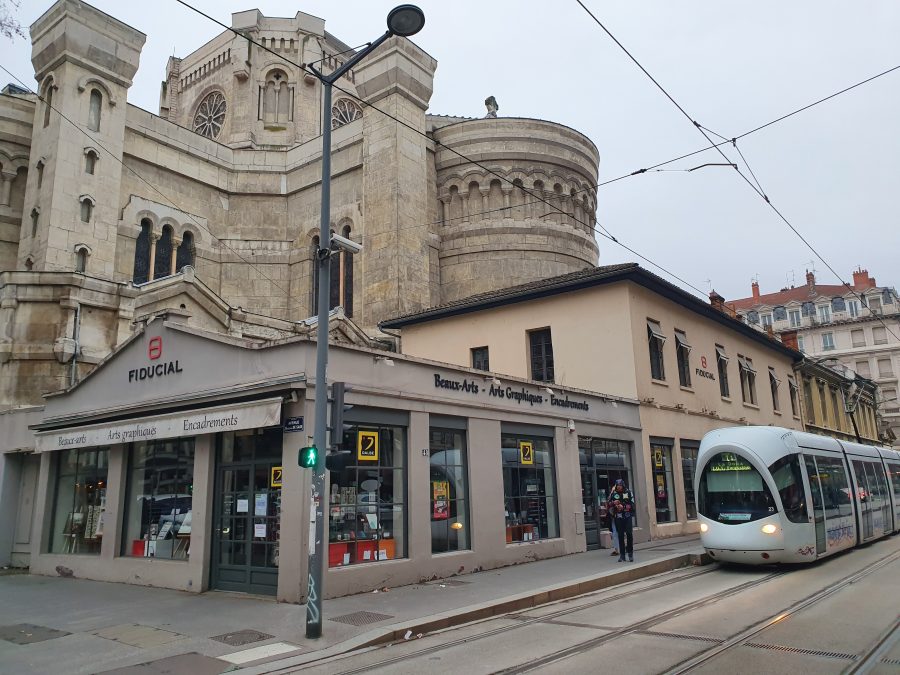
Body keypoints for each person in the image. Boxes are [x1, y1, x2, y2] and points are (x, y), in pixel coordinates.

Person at [607, 478, 635, 562]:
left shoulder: (628, 492)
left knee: (629, 534)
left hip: (627, 516)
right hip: (618, 517)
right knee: (620, 535)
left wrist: (624, 506)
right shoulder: (614, 493)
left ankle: (630, 553)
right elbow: (608, 504)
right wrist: (613, 503)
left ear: (623, 485)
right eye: (617, 485)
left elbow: (632, 505)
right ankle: (622, 555)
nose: (619, 487)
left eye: (620, 485)